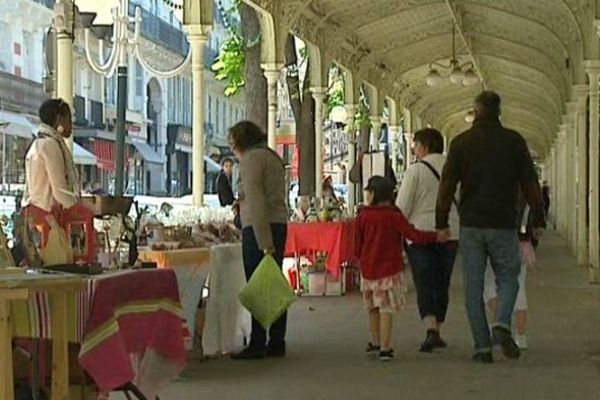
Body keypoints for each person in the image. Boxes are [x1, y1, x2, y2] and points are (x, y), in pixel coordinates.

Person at [436, 91, 545, 363]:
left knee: (473, 287)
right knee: (508, 277)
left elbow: (447, 185)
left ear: (475, 111)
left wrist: (441, 221)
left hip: (471, 224)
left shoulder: (461, 143)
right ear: (499, 111)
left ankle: (482, 348)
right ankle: (502, 324)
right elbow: (530, 183)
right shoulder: (513, 141)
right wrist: (538, 217)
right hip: (503, 223)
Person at [355, 176, 444, 362]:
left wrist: (360, 260)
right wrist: (436, 236)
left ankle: (375, 341)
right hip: (389, 270)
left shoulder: (363, 216)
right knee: (386, 308)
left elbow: (357, 244)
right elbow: (413, 234)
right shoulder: (394, 215)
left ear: (373, 194)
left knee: (372, 308)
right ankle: (386, 348)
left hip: (368, 271)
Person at [228, 121, 289, 360]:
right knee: (273, 282)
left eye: (233, 142)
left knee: (259, 285)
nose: (232, 148)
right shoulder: (271, 156)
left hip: (259, 227)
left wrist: (264, 240)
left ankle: (258, 341)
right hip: (278, 222)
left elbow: (255, 199)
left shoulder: (251, 160)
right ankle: (276, 340)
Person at [397, 128, 460, 353]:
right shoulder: (454, 167)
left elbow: (402, 207)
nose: (413, 148)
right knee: (442, 281)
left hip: (420, 233)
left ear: (423, 146)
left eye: (415, 144)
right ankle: (438, 330)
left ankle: (430, 327)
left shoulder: (414, 171)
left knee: (424, 280)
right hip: (450, 232)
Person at [484, 200, 536, 350]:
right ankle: (521, 337)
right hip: (522, 244)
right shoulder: (526, 193)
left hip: (495, 243)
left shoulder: (494, 191)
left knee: (489, 289)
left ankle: (499, 328)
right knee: (519, 289)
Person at [23, 98, 80, 212]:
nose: (71, 126)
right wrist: (78, 208)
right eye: (69, 120)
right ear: (59, 119)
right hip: (48, 217)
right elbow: (60, 192)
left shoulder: (38, 142)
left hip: (35, 213)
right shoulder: (50, 145)